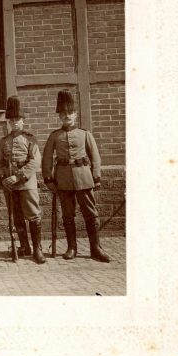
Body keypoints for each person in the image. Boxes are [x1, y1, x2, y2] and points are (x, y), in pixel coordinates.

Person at [41, 90, 110, 262]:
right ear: (59, 116)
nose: (67, 116)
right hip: (63, 180)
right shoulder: (55, 136)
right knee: (68, 215)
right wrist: (48, 179)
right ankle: (72, 247)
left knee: (91, 214)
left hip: (84, 178)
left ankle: (96, 248)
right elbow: (47, 158)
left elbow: (95, 156)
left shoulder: (85, 134)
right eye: (63, 113)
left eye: (70, 113)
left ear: (75, 114)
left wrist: (96, 176)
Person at [0, 95, 45, 263]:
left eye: (18, 119)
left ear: (23, 120)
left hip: (26, 183)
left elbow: (35, 161)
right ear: (8, 122)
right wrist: (2, 179)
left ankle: (37, 249)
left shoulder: (30, 139)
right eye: (12, 120)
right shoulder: (4, 141)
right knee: (16, 216)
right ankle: (24, 246)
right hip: (10, 185)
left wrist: (19, 176)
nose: (14, 122)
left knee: (33, 214)